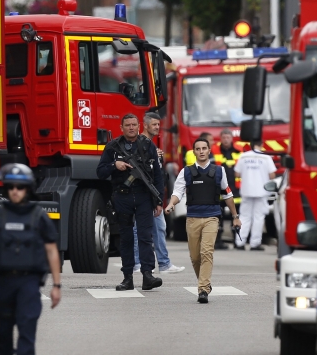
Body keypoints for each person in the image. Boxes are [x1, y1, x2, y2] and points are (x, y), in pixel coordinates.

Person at [0, 164, 61, 355]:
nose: (15, 191)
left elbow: (52, 251)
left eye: (20, 187)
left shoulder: (38, 216)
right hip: (3, 282)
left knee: (27, 326)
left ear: (27, 189)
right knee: (4, 330)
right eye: (11, 187)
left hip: (29, 282)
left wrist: (56, 285)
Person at [164, 138, 240, 303]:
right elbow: (178, 192)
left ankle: (203, 289)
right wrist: (171, 204)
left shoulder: (219, 171)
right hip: (192, 218)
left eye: (204, 148)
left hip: (212, 217)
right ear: (194, 152)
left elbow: (228, 194)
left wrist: (235, 217)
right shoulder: (186, 171)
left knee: (206, 253)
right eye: (198, 149)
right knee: (195, 257)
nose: (201, 151)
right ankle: (204, 282)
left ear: (209, 150)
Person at [96, 114, 165, 292]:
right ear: (122, 127)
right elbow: (100, 171)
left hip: (143, 196)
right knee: (126, 238)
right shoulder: (113, 147)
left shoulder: (148, 145)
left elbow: (157, 175)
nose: (131, 128)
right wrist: (114, 165)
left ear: (139, 126)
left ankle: (147, 275)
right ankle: (127, 277)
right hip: (122, 196)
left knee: (145, 236)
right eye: (128, 125)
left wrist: (159, 201)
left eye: (134, 125)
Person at [132, 112, 184, 276]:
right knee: (137, 229)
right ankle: (137, 263)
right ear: (145, 125)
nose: (157, 127)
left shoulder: (152, 146)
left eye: (158, 124)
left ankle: (164, 263)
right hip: (141, 195)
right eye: (154, 124)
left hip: (153, 196)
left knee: (159, 228)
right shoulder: (139, 143)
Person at [234, 141, 278, 251]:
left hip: (246, 190)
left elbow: (237, 173)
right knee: (258, 217)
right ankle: (255, 243)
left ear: (250, 145)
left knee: (244, 216)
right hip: (261, 191)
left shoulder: (243, 157)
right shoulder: (266, 157)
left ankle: (240, 242)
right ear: (261, 145)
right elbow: (272, 175)